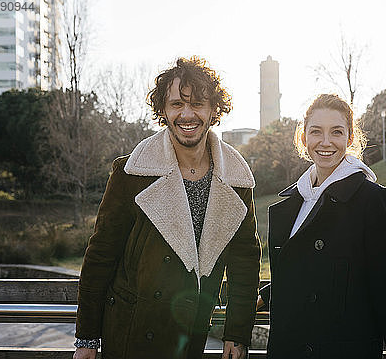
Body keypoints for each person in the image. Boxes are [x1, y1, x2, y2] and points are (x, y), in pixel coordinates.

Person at [73, 57, 260, 359]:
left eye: (198, 104)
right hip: (130, 333)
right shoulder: (131, 173)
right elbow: (100, 257)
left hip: (189, 337)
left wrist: (236, 334)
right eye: (176, 104)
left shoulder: (236, 178)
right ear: (162, 111)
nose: (187, 114)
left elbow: (246, 263)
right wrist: (86, 340)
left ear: (214, 111)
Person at [258, 94, 386, 358]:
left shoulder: (371, 200)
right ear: (303, 138)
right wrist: (268, 294)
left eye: (336, 132)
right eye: (316, 132)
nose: (325, 142)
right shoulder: (293, 203)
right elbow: (310, 268)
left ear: (350, 138)